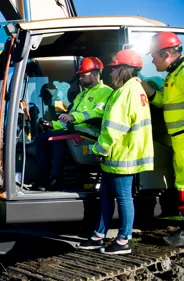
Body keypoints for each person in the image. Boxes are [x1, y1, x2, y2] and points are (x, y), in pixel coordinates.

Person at [77, 49, 154, 255]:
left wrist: (98, 149)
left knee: (123, 197)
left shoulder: (126, 92)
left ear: (124, 70)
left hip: (122, 155)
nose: (110, 74)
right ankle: (99, 235)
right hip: (116, 155)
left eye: (113, 69)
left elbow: (114, 128)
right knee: (106, 196)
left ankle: (123, 240)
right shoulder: (130, 90)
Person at [36, 57, 113, 190]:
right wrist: (53, 125)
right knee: (42, 138)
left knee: (57, 139)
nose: (80, 79)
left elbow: (98, 113)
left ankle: (56, 181)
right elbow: (69, 120)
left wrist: (73, 117)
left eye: (83, 75)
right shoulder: (81, 95)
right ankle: (42, 179)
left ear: (94, 75)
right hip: (76, 130)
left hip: (91, 133)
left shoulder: (106, 92)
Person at [139, 32, 184, 246]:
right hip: (178, 139)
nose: (151, 60)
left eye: (153, 56)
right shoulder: (173, 75)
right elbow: (164, 102)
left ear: (166, 54)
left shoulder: (183, 73)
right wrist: (146, 89)